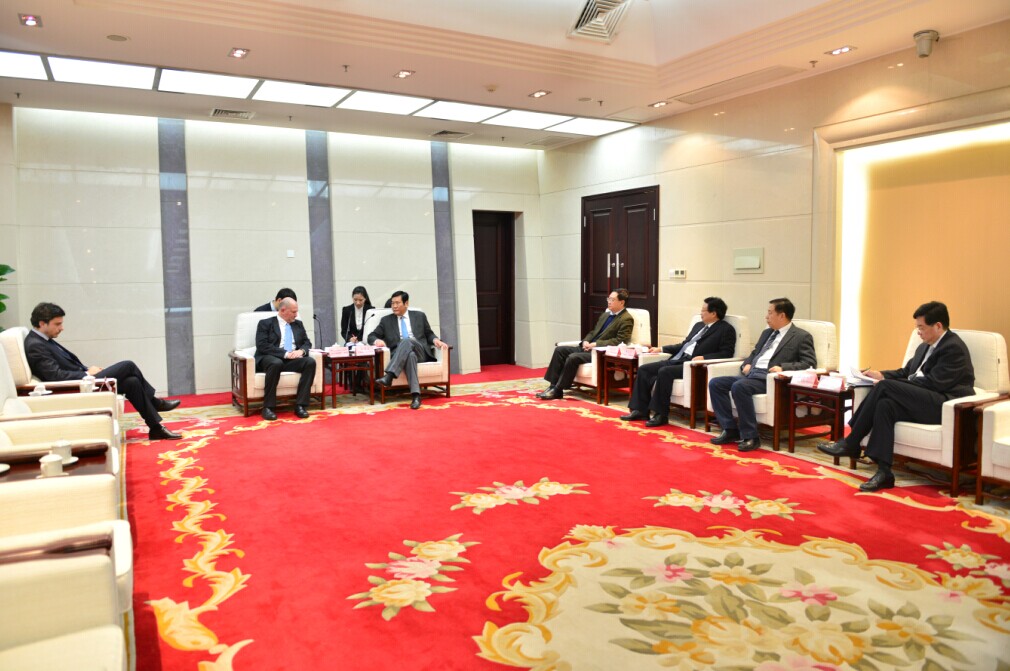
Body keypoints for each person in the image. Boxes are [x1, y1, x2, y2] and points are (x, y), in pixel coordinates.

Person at [818, 301, 975, 492]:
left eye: (921, 328)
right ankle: (884, 472)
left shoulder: (953, 348)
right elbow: (907, 372)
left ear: (938, 326)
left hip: (944, 404)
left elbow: (935, 383)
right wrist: (881, 375)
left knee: (885, 388)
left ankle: (852, 441)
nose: (918, 332)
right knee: (885, 405)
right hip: (924, 400)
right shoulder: (924, 347)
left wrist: (894, 385)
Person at [24, 302, 183, 440]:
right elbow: (55, 376)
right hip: (77, 387)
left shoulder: (43, 340)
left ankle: (156, 428)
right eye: (57, 324)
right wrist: (87, 374)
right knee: (128, 365)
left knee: (132, 382)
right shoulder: (35, 345)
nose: (62, 328)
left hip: (83, 381)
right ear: (42, 323)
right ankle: (155, 402)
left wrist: (87, 369)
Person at [708, 298, 816, 452]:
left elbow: (809, 363)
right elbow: (755, 352)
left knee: (739, 386)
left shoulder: (801, 336)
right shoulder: (767, 333)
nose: (766, 316)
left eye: (770, 313)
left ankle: (751, 436)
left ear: (782, 315)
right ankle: (730, 429)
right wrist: (747, 363)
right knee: (716, 383)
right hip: (752, 375)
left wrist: (783, 367)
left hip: (769, 379)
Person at [621, 297, 736, 427]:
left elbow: (727, 353)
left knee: (664, 372)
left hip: (691, 365)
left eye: (703, 310)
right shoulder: (698, 325)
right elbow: (684, 345)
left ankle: (661, 414)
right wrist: (662, 348)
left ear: (714, 313)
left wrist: (704, 357)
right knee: (644, 369)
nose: (701, 313)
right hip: (678, 359)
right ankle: (640, 410)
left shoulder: (726, 329)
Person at [536, 289, 635, 401]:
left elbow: (620, 340)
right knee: (560, 350)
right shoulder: (605, 315)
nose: (609, 301)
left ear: (622, 302)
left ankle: (558, 389)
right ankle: (552, 386)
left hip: (600, 352)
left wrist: (596, 344)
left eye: (612, 299)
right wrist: (586, 341)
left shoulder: (626, 319)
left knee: (573, 358)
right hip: (589, 348)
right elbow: (593, 332)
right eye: (608, 299)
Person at [368, 291, 448, 410]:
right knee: (410, 355)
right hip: (401, 354)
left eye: (397, 303)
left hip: (420, 351)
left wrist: (436, 340)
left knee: (407, 341)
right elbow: (371, 336)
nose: (394, 306)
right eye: (392, 303)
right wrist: (377, 341)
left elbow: (429, 333)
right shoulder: (386, 321)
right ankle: (416, 396)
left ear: (406, 303)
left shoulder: (419, 316)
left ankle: (389, 375)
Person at [254, 297, 315, 421]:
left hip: (291, 359)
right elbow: (262, 345)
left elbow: (307, 343)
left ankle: (300, 405)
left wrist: (301, 351)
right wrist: (285, 354)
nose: (296, 314)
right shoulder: (265, 324)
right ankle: (268, 407)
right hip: (270, 357)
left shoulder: (298, 324)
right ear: (283, 310)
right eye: (293, 312)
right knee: (276, 363)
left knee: (310, 362)